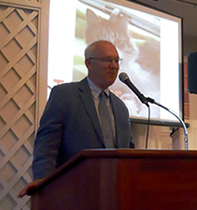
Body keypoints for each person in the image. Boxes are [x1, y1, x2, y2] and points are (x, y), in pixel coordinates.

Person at [18, 40, 134, 197]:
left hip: (115, 195)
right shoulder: (64, 95)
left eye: (116, 60)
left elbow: (129, 152)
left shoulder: (121, 108)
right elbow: (47, 143)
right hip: (74, 193)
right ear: (89, 63)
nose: (114, 66)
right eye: (107, 60)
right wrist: (43, 179)